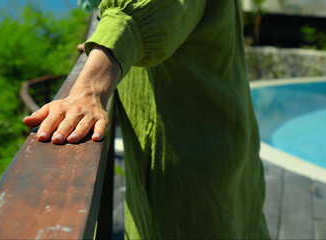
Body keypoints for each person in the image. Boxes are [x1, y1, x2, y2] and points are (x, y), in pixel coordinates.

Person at [23, 0, 270, 238]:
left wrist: (89, 87)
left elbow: (143, 10)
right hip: (221, 133)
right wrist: (104, 41)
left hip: (188, 165)